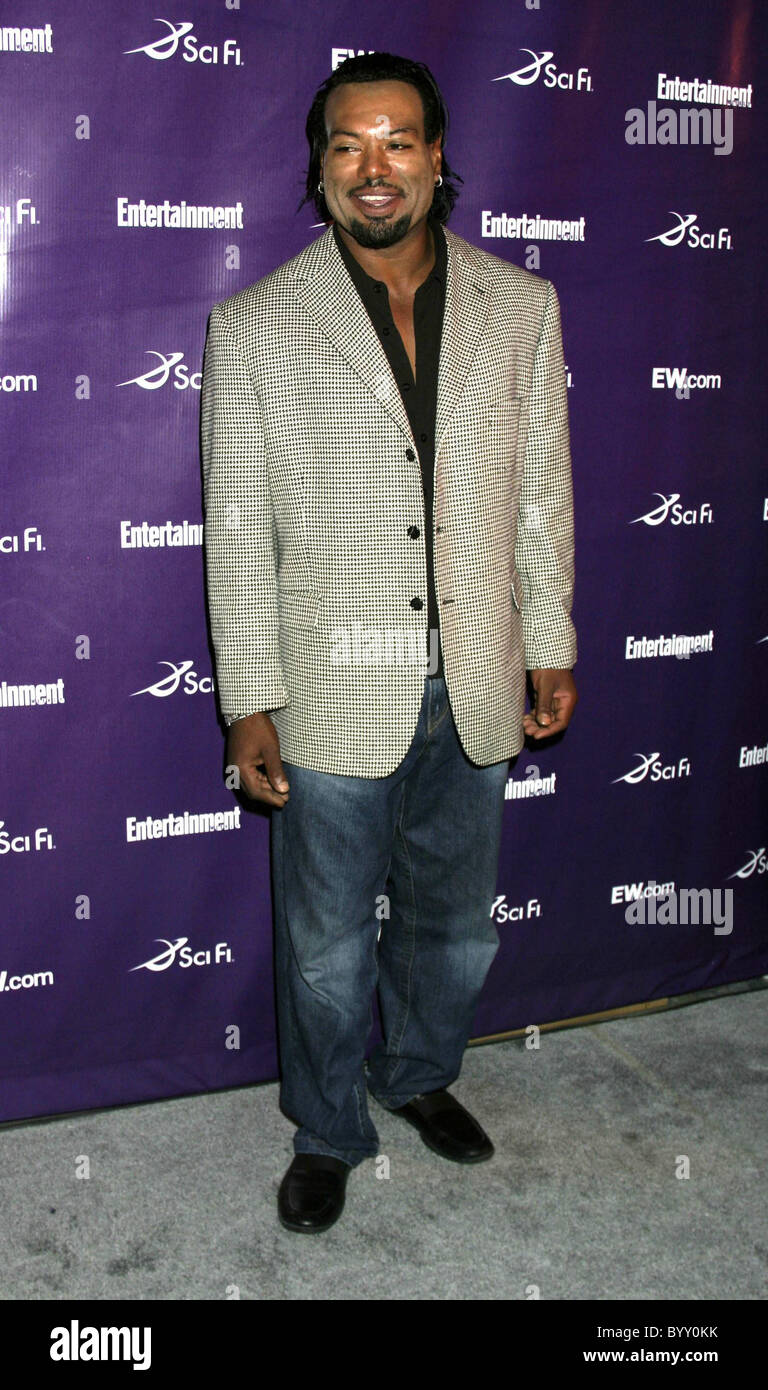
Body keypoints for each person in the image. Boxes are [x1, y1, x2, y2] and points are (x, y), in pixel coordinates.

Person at [201, 51, 578, 1234]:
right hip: (325, 685)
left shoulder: (522, 307)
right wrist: (247, 699)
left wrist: (549, 636)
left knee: (453, 925)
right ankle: (327, 1128)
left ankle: (418, 1074)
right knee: (321, 942)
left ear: (437, 157)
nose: (375, 168)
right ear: (320, 170)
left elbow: (540, 492)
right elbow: (236, 530)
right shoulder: (255, 323)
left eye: (398, 141)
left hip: (473, 672)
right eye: (348, 145)